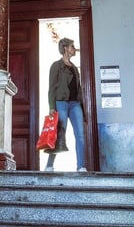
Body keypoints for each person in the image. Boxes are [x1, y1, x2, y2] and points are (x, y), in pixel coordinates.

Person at [44, 37, 87, 172]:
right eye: (72, 46)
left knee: (80, 135)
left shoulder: (74, 68)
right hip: (61, 103)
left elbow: (78, 89)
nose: (74, 49)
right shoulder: (56, 66)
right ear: (65, 48)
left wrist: (82, 109)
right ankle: (49, 165)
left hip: (75, 104)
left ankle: (81, 166)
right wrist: (51, 106)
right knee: (59, 134)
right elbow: (51, 88)